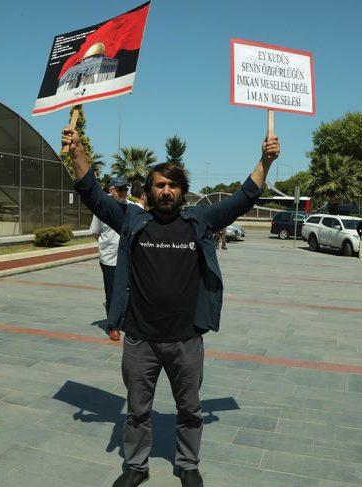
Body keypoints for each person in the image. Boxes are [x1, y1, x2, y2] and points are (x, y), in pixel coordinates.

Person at [62, 126, 279, 487]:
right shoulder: (132, 220)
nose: (167, 190)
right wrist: (77, 153)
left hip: (186, 339)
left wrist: (265, 161)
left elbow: (244, 198)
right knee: (136, 412)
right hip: (140, 340)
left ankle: (188, 464)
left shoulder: (199, 220)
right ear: (148, 191)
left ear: (182, 190)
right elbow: (93, 194)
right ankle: (136, 467)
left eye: (173, 185)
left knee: (190, 410)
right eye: (160, 185)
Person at [90, 176, 132, 341]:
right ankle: (113, 326)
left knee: (128, 291)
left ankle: (126, 320)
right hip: (109, 258)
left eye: (125, 189)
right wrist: (107, 246)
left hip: (128, 259)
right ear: (111, 190)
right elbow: (95, 233)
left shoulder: (132, 208)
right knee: (112, 291)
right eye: (120, 189)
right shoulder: (102, 209)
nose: (123, 192)